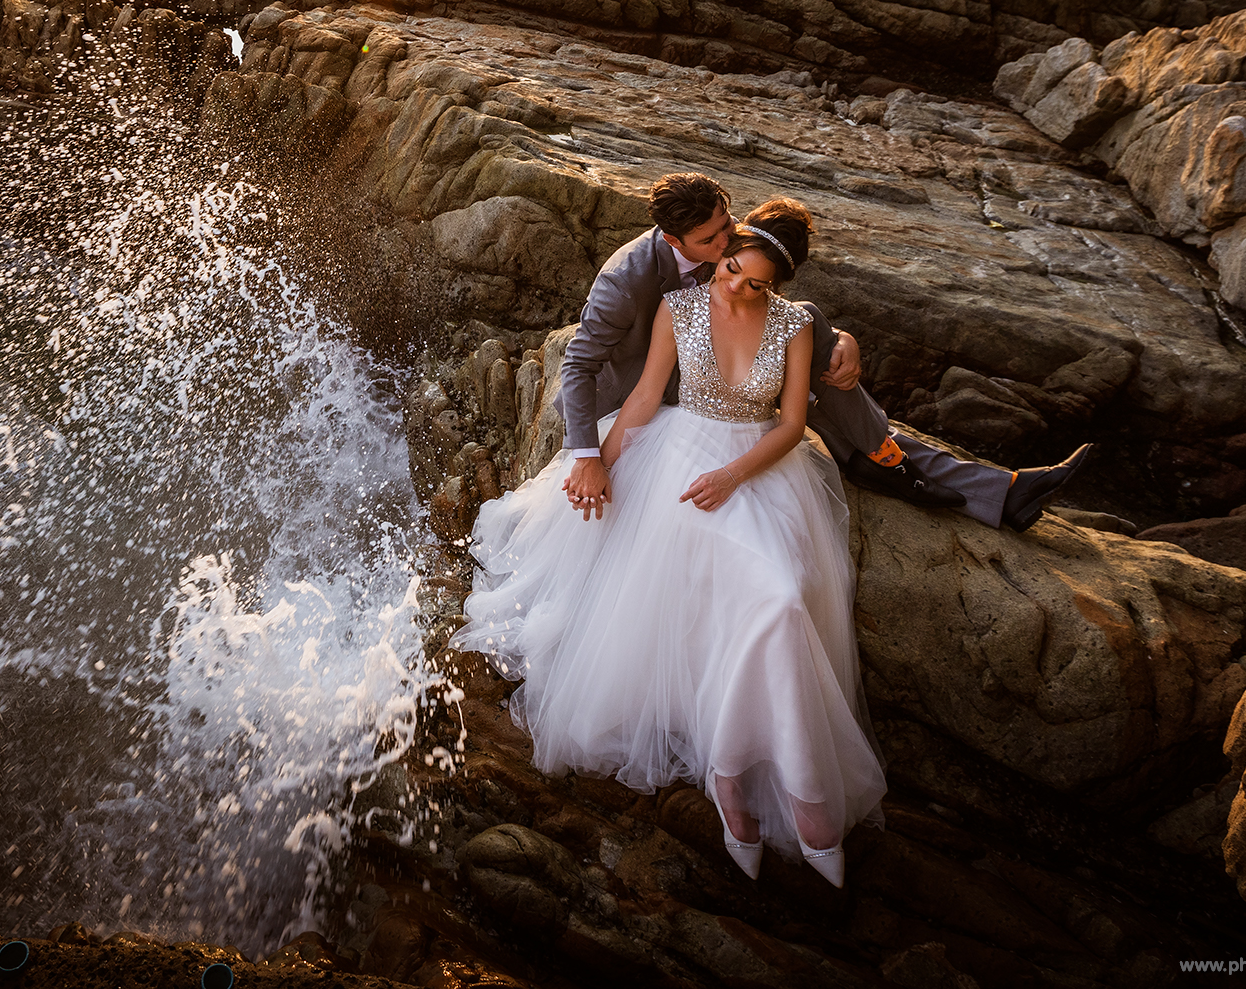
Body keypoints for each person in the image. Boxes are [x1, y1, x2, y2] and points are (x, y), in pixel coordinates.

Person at [456, 200, 884, 886]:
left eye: (756, 281)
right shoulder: (676, 307)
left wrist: (732, 475)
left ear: (779, 284)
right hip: (676, 463)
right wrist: (594, 463)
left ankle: (765, 779)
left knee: (779, 601)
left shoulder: (795, 326)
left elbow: (793, 422)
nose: (735, 285)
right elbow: (647, 396)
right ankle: (732, 787)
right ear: (725, 248)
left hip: (757, 469)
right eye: (731, 267)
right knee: (721, 593)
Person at [559, 175, 1090, 532]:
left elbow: (759, 289)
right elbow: (578, 365)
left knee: (810, 335)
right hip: (658, 383)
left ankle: (977, 484)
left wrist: (841, 343)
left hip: (725, 362)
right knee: (815, 356)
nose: (730, 239)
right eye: (714, 238)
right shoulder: (626, 281)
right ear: (675, 240)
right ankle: (884, 457)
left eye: (729, 223)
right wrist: (588, 457)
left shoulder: (724, 242)